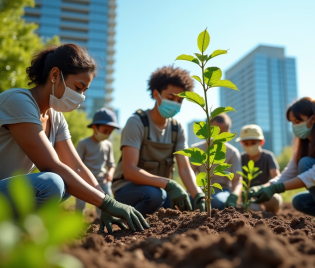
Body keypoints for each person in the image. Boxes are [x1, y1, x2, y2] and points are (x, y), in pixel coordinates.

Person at [0, 44, 149, 233]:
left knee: (68, 184)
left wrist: (104, 203)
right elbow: (52, 165)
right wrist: (106, 203)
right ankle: (3, 229)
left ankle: (6, 228)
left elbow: (76, 167)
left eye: (84, 91)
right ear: (55, 75)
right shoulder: (18, 102)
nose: (80, 97)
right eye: (78, 87)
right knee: (52, 183)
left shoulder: (55, 117)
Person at [112, 66, 206, 216]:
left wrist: (199, 195)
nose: (175, 103)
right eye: (170, 98)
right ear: (156, 94)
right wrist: (169, 184)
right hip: (128, 189)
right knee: (155, 195)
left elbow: (184, 168)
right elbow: (129, 171)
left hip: (161, 189)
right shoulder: (137, 123)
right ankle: (127, 223)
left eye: (180, 100)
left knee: (186, 204)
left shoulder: (177, 128)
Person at [190, 114, 242, 210]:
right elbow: (189, 174)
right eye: (214, 132)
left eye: (221, 133)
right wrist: (198, 194)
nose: (217, 137)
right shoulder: (196, 149)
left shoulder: (232, 152)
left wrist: (234, 196)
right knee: (187, 200)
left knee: (217, 202)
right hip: (200, 189)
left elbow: (237, 180)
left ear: (228, 133)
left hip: (222, 190)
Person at [75, 108, 119, 219]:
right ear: (95, 127)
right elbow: (76, 164)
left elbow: (111, 164)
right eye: (105, 131)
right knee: (80, 202)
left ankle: (102, 220)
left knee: (107, 201)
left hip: (102, 180)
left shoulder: (108, 145)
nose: (107, 134)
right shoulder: (83, 143)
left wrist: (110, 173)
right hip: (84, 179)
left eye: (110, 132)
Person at [236, 124, 282, 214]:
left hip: (266, 194)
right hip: (249, 199)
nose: (250, 146)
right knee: (249, 209)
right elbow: (237, 179)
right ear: (242, 143)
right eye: (246, 143)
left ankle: (272, 216)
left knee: (274, 199)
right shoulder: (240, 158)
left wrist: (261, 189)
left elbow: (277, 179)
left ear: (261, 142)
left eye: (253, 142)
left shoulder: (268, 157)